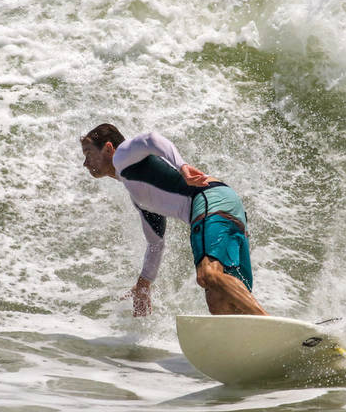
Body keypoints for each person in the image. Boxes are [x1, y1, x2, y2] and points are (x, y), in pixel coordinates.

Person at [80, 124, 269, 317]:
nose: (85, 163)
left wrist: (182, 166)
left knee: (208, 274)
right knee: (218, 300)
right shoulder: (140, 197)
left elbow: (150, 139)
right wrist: (143, 285)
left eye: (88, 153)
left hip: (207, 199)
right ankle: (260, 342)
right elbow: (155, 244)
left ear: (109, 148)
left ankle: (269, 324)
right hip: (227, 202)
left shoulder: (122, 157)